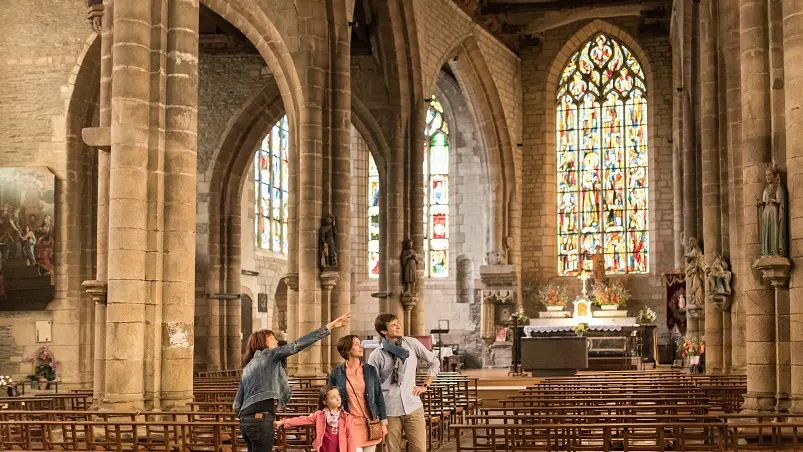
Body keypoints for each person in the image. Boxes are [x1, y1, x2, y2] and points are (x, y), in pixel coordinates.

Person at [234, 313, 351, 452]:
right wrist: (329, 326)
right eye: (272, 339)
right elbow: (297, 345)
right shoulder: (268, 354)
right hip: (261, 419)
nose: (276, 342)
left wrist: (247, 418)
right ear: (262, 343)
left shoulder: (248, 366)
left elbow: (237, 403)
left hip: (245, 421)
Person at [366, 314, 440, 452]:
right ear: (383, 331)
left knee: (419, 449)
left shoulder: (411, 343)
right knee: (392, 449)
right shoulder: (376, 356)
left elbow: (434, 362)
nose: (398, 326)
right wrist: (377, 416)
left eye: (397, 323)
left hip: (413, 405)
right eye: (393, 325)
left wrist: (425, 385)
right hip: (389, 410)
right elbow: (372, 387)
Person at [329, 335, 388, 452]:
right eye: (356, 344)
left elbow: (378, 397)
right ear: (347, 349)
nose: (361, 346)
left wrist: (383, 423)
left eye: (359, 343)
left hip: (370, 424)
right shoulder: (337, 373)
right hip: (349, 425)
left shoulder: (370, 370)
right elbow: (329, 397)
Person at [275, 385, 356, 452]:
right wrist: (284, 422)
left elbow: (351, 438)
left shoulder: (346, 417)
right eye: (333, 397)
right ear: (325, 401)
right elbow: (302, 419)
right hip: (324, 449)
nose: (338, 399)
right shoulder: (319, 415)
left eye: (338, 395)